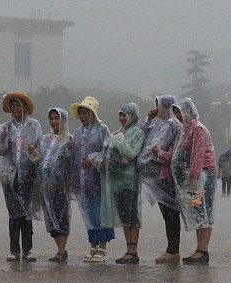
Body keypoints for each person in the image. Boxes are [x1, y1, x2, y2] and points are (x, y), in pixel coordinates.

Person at [160, 98, 216, 264]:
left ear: (190, 111)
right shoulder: (185, 130)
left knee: (204, 211)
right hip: (191, 178)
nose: (178, 115)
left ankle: (203, 250)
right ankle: (199, 249)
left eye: (181, 111)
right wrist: (160, 154)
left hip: (203, 176)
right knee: (198, 212)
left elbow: (198, 156)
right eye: (176, 112)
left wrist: (193, 178)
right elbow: (177, 154)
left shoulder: (198, 129)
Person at [0, 91, 42, 261]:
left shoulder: (34, 126)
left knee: (26, 212)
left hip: (28, 174)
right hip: (10, 175)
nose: (15, 108)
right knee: (14, 213)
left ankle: (28, 249)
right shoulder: (5, 127)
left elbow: (37, 149)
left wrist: (31, 152)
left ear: (24, 107)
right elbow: (0, 151)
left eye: (18, 105)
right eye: (12, 105)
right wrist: (2, 139)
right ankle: (14, 250)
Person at [69, 96, 115, 263]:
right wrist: (70, 148)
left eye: (86, 113)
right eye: (80, 113)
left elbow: (108, 149)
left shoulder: (102, 129)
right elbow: (74, 154)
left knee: (100, 213)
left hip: (97, 180)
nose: (83, 116)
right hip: (82, 181)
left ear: (93, 114)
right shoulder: (78, 132)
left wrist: (93, 158)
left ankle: (102, 247)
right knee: (88, 215)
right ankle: (93, 245)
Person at [139, 95, 183, 263]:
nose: (156, 108)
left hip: (166, 174)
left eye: (159, 105)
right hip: (158, 174)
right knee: (167, 213)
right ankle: (171, 249)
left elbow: (159, 145)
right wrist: (148, 119)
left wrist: (142, 159)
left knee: (171, 213)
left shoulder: (171, 124)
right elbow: (142, 135)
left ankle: (173, 250)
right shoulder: (159, 123)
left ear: (166, 106)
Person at [100, 103, 145, 264]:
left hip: (129, 181)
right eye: (120, 115)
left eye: (125, 115)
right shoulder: (119, 132)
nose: (122, 118)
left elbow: (130, 153)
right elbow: (108, 150)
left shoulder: (138, 133)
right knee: (125, 217)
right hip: (117, 181)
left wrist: (118, 141)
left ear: (133, 116)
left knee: (132, 216)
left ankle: (134, 250)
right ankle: (128, 249)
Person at [35, 108, 72, 262]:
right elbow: (38, 158)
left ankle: (61, 250)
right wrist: (32, 153)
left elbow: (72, 161)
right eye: (51, 119)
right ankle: (60, 249)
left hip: (61, 186)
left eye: (57, 118)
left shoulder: (69, 139)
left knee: (62, 217)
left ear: (63, 119)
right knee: (50, 219)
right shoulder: (44, 139)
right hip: (45, 186)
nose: (54, 122)